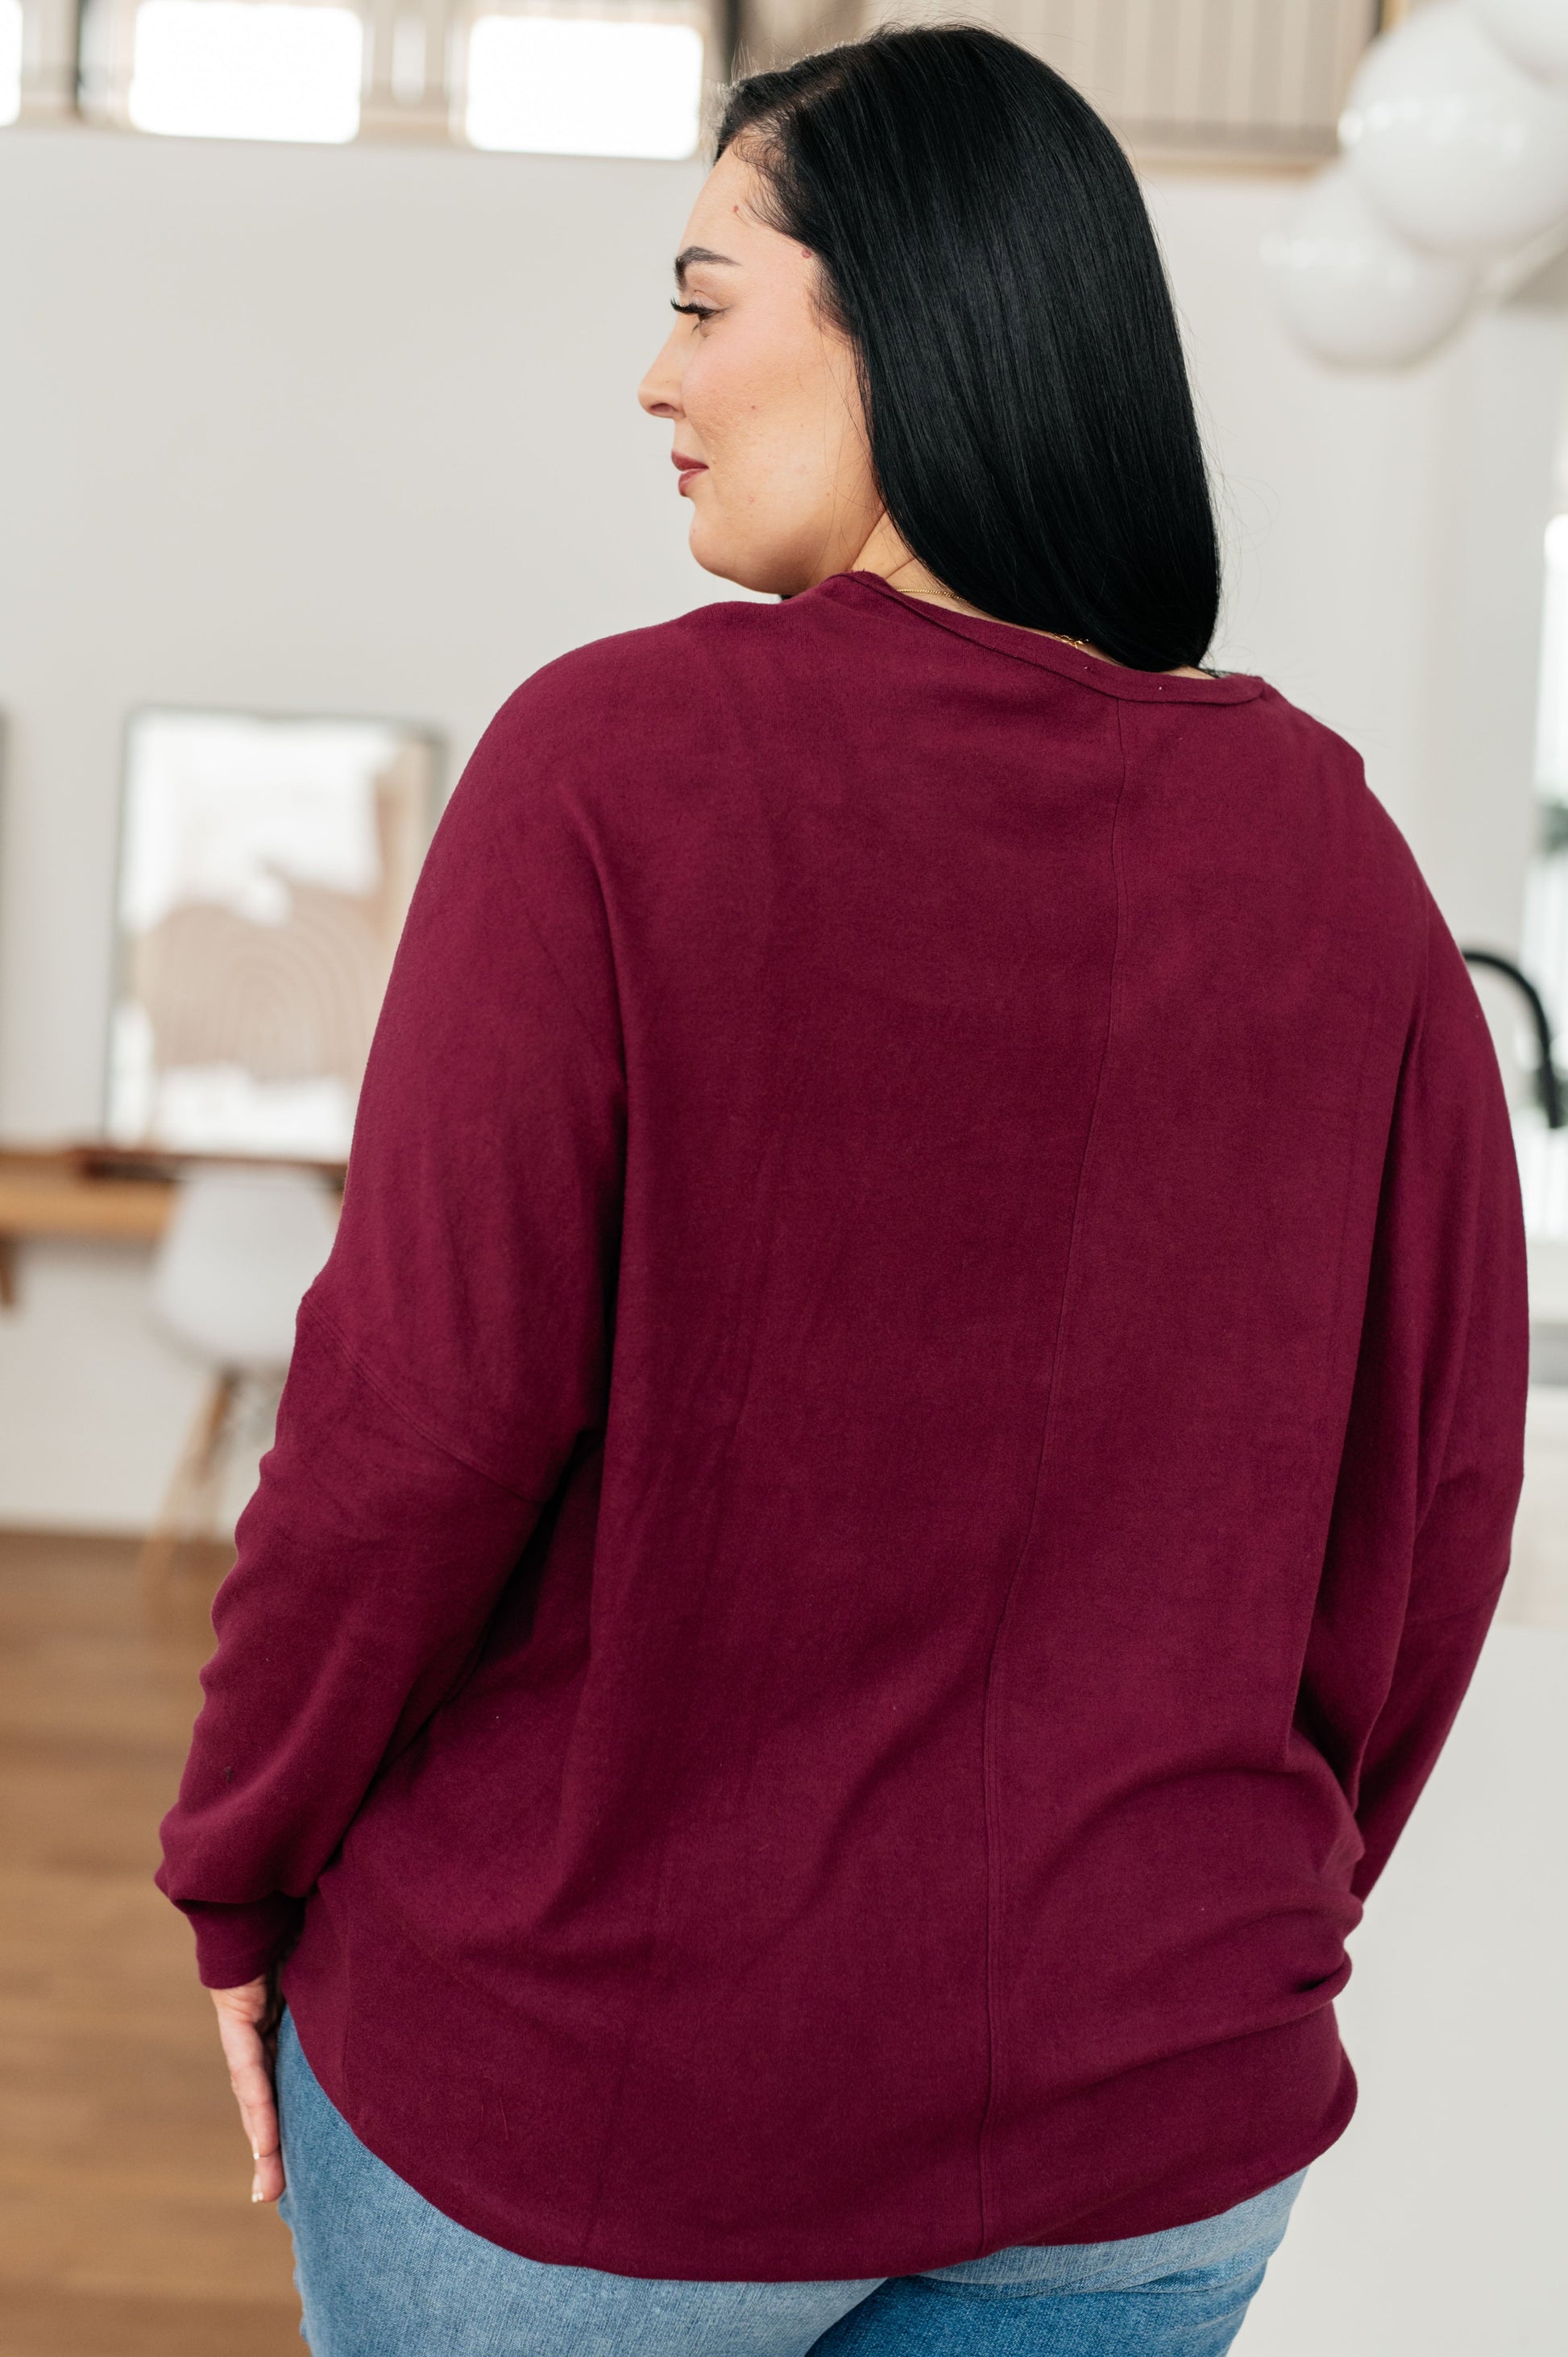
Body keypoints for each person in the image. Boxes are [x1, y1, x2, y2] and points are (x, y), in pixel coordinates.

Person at [156, 25, 1530, 2356]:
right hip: (1147, 2117)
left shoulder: (612, 766)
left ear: (907, 316)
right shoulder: (1336, 853)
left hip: (596, 2112)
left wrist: (238, 1857)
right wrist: (1232, 1914)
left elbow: (413, 1436)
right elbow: (1436, 1507)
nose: (655, 377)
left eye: (704, 300)